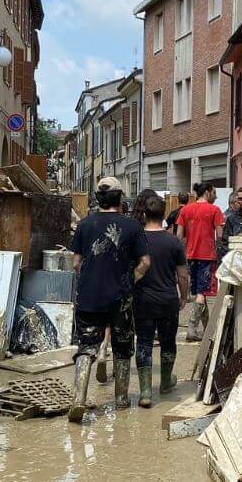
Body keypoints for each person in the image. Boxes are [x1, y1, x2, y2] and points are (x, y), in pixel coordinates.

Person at [68, 177, 151, 422]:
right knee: (123, 346)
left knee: (86, 346)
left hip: (89, 297)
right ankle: (121, 401)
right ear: (120, 198)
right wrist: (130, 280)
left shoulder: (84, 225)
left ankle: (78, 400)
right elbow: (145, 262)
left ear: (98, 199)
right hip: (120, 298)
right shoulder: (132, 226)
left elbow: (76, 263)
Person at [133, 196, 189, 407]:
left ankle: (145, 391)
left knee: (144, 343)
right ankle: (165, 382)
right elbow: (182, 275)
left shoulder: (137, 239)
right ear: (165, 215)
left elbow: (132, 271)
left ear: (145, 215)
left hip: (143, 300)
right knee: (168, 342)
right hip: (168, 300)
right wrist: (183, 296)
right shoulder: (173, 241)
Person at [176, 182, 224, 341]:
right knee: (202, 293)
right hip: (207, 256)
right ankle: (192, 328)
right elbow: (220, 235)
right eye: (214, 192)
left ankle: (208, 327)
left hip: (190, 255)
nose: (215, 196)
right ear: (208, 192)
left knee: (198, 292)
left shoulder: (185, 210)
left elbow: (179, 236)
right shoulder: (214, 210)